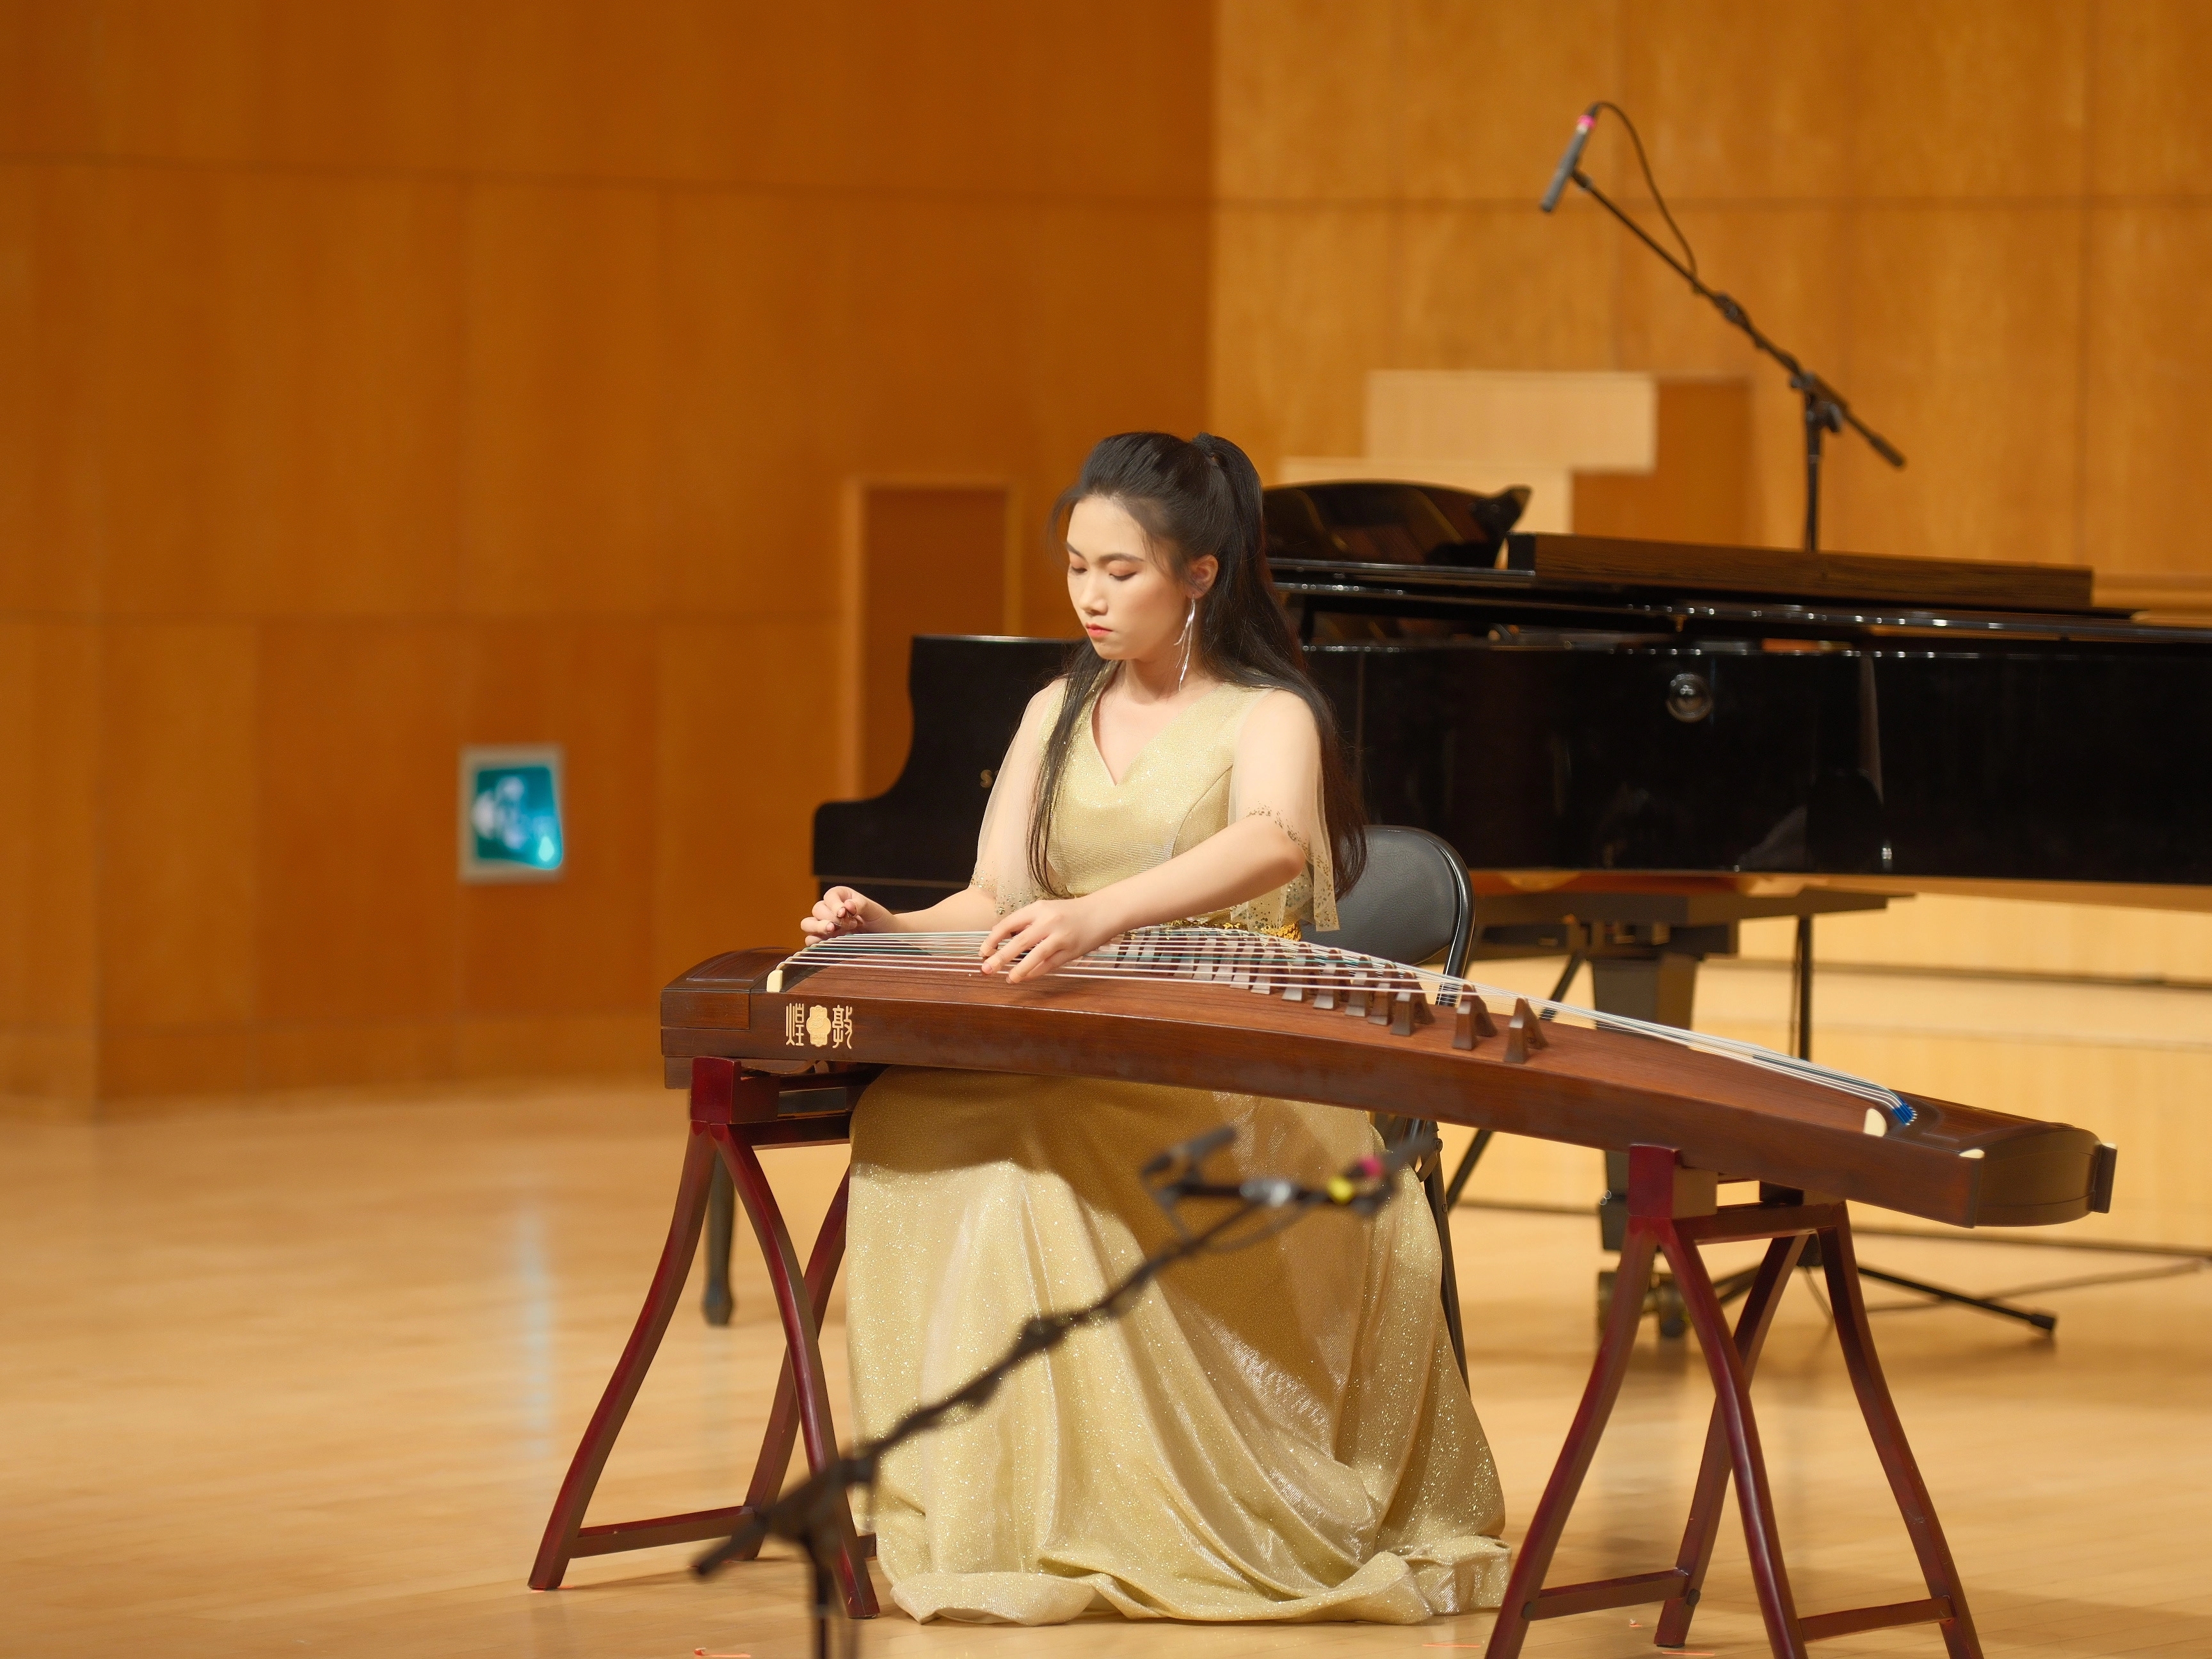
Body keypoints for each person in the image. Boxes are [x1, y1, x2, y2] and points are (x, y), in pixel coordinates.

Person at [800, 431, 1508, 1625]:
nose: (1089, 595)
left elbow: (1274, 842)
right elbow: (993, 897)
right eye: (1078, 567)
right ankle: (1009, 1508)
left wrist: (1097, 913)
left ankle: (1116, 1506)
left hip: (1236, 1074)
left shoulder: (1268, 714)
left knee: (1037, 1162)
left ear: (1200, 575)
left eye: (1120, 571)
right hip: (1083, 1048)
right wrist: (889, 925)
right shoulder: (1055, 708)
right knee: (912, 1119)